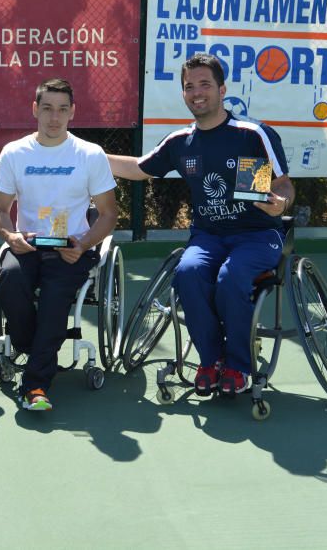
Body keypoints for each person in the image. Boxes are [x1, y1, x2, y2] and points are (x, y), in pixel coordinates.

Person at [107, 53, 294, 396]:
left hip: (257, 235)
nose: (197, 92)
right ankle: (211, 361)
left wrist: (278, 205)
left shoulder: (252, 134)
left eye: (205, 84)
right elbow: (138, 168)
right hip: (208, 237)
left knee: (231, 277)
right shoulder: (181, 142)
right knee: (187, 273)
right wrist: (86, 156)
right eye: (189, 86)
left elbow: (283, 185)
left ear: (222, 90)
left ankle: (239, 365)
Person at [0, 78, 118, 412]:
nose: (54, 117)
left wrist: (84, 243)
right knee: (11, 282)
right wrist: (10, 237)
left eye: (62, 109)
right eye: (47, 108)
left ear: (72, 112)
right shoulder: (14, 153)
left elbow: (108, 215)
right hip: (28, 247)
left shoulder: (90, 154)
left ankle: (35, 385)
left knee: (54, 300)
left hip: (71, 250)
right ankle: (34, 348)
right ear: (35, 109)